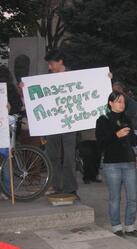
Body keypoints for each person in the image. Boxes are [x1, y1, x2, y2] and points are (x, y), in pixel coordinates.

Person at [96, 91, 137, 238]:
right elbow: (100, 143)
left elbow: (133, 141)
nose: (122, 104)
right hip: (112, 164)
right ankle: (116, 226)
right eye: (118, 101)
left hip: (129, 162)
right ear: (110, 103)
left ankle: (130, 227)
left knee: (132, 197)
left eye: (123, 101)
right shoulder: (103, 120)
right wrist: (116, 135)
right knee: (115, 197)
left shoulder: (127, 119)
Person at [43, 50, 79, 198]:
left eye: (51, 64)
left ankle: (70, 188)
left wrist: (105, 78)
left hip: (70, 123)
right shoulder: (46, 80)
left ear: (60, 61)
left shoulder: (74, 77)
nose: (50, 67)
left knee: (69, 156)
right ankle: (56, 185)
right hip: (52, 124)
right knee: (52, 155)